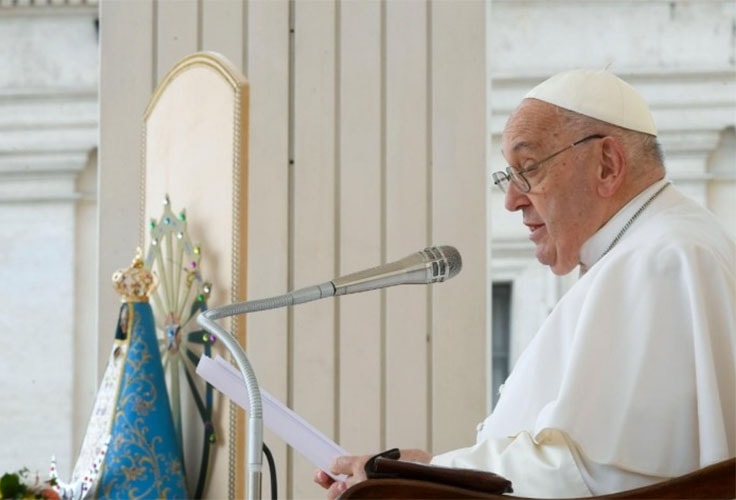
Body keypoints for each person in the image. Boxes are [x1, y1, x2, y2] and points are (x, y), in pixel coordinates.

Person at [314, 69, 736, 498]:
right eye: (508, 176)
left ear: (607, 164)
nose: (513, 200)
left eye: (528, 169)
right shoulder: (648, 248)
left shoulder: (661, 259)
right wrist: (429, 471)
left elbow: (587, 474)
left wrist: (424, 479)